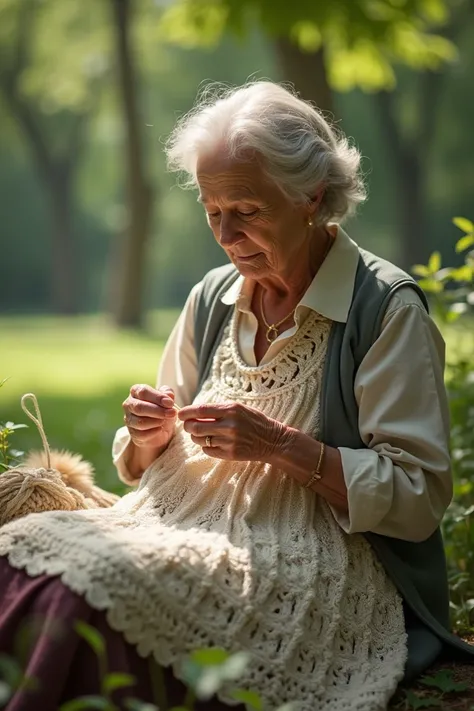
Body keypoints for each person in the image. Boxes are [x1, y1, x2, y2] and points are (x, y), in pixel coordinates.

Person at [0, 81, 472, 711]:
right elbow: (140, 461)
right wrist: (149, 434)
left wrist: (279, 445)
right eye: (210, 208)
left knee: (97, 580)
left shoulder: (384, 308)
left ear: (310, 197)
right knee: (19, 550)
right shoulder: (212, 296)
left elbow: (417, 496)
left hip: (314, 558)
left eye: (245, 210)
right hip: (169, 519)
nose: (224, 233)